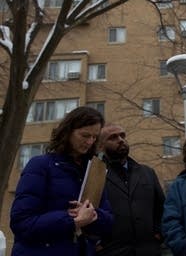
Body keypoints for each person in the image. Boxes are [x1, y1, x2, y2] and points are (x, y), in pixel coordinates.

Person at [10, 106, 113, 256]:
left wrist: (93, 215)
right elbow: (21, 223)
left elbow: (108, 221)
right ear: (68, 132)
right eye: (85, 135)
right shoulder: (40, 166)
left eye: (95, 137)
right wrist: (73, 220)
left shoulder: (94, 171)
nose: (90, 142)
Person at [96, 124, 165, 256]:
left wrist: (159, 233)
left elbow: (161, 207)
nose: (120, 139)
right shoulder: (95, 174)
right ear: (101, 146)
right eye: (113, 137)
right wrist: (96, 242)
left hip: (148, 250)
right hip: (112, 251)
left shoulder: (147, 172)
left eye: (122, 135)